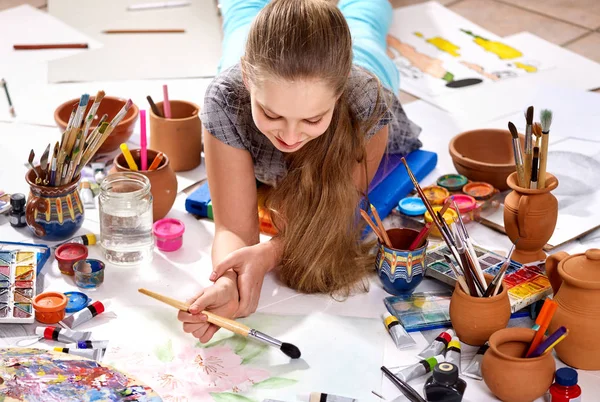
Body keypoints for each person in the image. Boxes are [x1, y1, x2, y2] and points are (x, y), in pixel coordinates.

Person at [178, 0, 422, 343]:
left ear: (337, 96)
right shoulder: (227, 97)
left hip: (362, 67)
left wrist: (268, 254)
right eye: (271, 114)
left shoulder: (365, 101)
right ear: (249, 79)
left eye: (312, 119)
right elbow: (232, 226)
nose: (289, 137)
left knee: (365, 20)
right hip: (247, 71)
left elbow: (334, 216)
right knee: (242, 16)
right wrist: (227, 282)